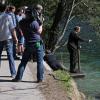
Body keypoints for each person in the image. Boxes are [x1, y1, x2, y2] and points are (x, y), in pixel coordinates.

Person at [12, 5, 44, 82]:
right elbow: (39, 31)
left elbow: (20, 26)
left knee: (23, 61)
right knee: (40, 61)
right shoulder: (34, 23)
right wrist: (41, 23)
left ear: (26, 14)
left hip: (29, 44)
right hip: (37, 43)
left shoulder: (21, 23)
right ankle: (40, 79)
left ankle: (18, 78)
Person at [0, 3, 18, 77]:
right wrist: (15, 38)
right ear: (5, 8)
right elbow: (12, 28)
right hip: (8, 38)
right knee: (10, 55)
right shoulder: (8, 16)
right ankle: (13, 73)